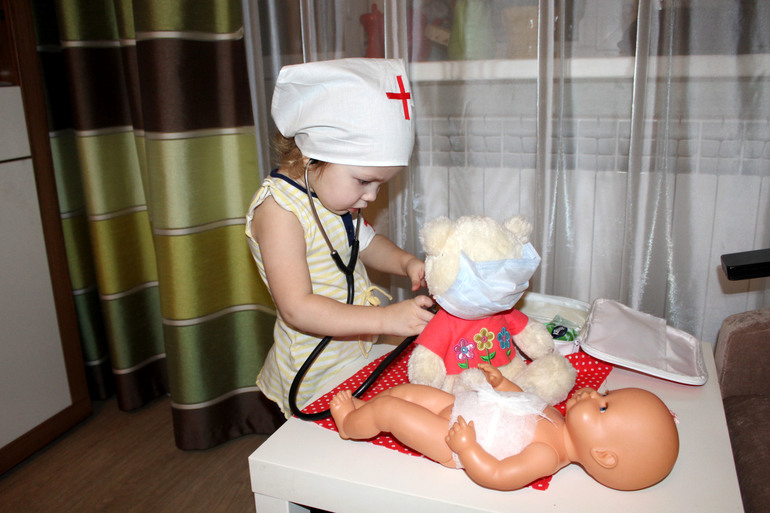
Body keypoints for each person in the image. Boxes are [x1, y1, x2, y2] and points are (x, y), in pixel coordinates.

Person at [246, 58, 435, 418]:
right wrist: (385, 320)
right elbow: (297, 307)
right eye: (364, 181)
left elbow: (366, 244)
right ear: (312, 156)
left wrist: (406, 262)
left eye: (381, 184)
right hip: (312, 370)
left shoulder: (333, 200)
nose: (372, 197)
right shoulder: (279, 211)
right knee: (316, 447)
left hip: (353, 352)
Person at [330, 363, 679, 491]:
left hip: (451, 440)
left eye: (602, 406)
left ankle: (348, 424)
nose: (593, 393)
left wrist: (467, 448)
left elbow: (497, 475)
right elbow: (524, 402)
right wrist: (503, 384)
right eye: (606, 393)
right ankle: (363, 412)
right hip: (461, 407)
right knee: (406, 393)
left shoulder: (547, 455)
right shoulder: (558, 420)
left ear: (603, 455)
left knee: (392, 410)